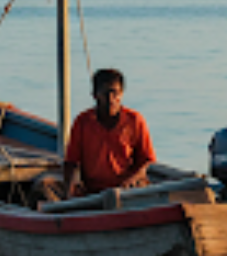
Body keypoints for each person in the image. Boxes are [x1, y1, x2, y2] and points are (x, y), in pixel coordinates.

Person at [36, 68, 156, 204]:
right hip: (92, 190)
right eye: (105, 94)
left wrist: (130, 182)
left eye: (114, 93)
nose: (111, 99)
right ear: (95, 95)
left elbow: (146, 161)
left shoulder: (135, 120)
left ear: (121, 94)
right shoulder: (83, 122)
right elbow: (72, 162)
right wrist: (69, 191)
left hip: (125, 191)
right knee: (44, 186)